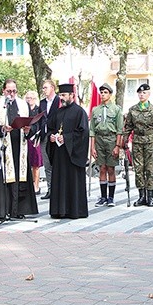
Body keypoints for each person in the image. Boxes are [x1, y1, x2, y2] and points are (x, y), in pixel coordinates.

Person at [0, 79, 38, 219]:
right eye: (9, 91)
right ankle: (3, 210)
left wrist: (28, 130)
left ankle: (18, 210)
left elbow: (33, 126)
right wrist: (2, 128)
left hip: (20, 147)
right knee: (4, 179)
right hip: (4, 148)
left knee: (20, 179)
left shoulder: (23, 105)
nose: (12, 94)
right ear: (3, 91)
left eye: (14, 91)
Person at [49, 83, 89, 219]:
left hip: (73, 155)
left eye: (64, 95)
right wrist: (52, 137)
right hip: (59, 155)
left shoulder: (79, 112)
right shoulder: (57, 112)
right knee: (59, 181)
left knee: (73, 182)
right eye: (60, 95)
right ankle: (59, 210)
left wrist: (66, 138)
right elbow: (51, 128)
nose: (62, 98)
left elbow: (83, 133)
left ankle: (74, 211)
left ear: (72, 95)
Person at [122, 83, 153, 207]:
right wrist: (124, 141)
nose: (141, 95)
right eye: (140, 93)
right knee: (138, 169)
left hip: (150, 142)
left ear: (148, 94)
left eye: (144, 93)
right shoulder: (133, 110)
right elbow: (128, 127)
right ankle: (141, 196)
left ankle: (150, 197)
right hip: (137, 142)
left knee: (149, 170)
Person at [89, 83, 123, 207]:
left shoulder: (116, 109)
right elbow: (92, 129)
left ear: (110, 94)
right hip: (99, 139)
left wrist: (117, 146)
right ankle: (103, 196)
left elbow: (120, 129)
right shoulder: (95, 110)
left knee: (110, 169)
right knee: (101, 168)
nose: (103, 95)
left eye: (105, 93)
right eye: (101, 93)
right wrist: (92, 147)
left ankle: (111, 197)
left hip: (111, 139)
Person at [38, 79, 59, 200]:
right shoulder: (42, 103)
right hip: (44, 136)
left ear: (52, 88)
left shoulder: (59, 101)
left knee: (57, 164)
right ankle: (50, 189)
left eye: (46, 87)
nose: (44, 90)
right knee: (47, 165)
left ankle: (58, 189)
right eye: (43, 88)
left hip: (55, 136)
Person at [24, 90, 43, 194]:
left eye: (31, 98)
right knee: (26, 163)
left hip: (35, 139)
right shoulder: (24, 109)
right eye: (27, 98)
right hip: (25, 138)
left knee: (35, 164)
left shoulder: (38, 109)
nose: (29, 100)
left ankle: (36, 186)